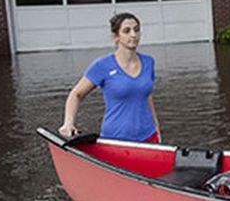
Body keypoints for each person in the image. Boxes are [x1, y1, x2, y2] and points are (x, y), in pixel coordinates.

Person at [58, 12, 161, 142]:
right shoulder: (102, 65)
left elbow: (146, 95)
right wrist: (68, 123)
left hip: (148, 136)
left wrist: (156, 125)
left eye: (136, 30)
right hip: (115, 139)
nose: (133, 35)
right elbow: (76, 94)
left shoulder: (148, 62)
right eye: (126, 31)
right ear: (116, 36)